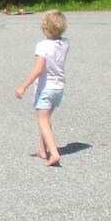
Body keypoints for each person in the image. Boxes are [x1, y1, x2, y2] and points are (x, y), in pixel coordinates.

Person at [15, 9, 69, 166]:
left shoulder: (42, 46)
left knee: (43, 121)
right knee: (45, 118)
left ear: (45, 28)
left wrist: (23, 86)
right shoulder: (65, 43)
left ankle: (54, 153)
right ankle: (42, 149)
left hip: (46, 88)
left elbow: (38, 69)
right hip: (59, 88)